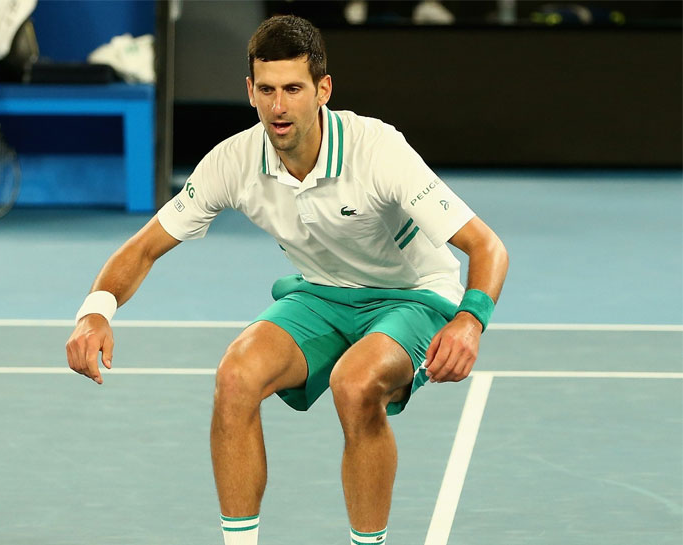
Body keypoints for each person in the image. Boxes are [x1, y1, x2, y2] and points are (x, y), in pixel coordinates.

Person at [66, 14, 508, 545]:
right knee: (235, 377)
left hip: (412, 297)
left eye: (294, 89)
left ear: (322, 89)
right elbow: (144, 247)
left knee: (355, 384)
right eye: (268, 90)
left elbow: (487, 246)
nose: (279, 106)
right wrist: (95, 310)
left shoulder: (377, 150)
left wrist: (469, 321)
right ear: (250, 91)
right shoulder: (234, 161)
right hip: (321, 294)